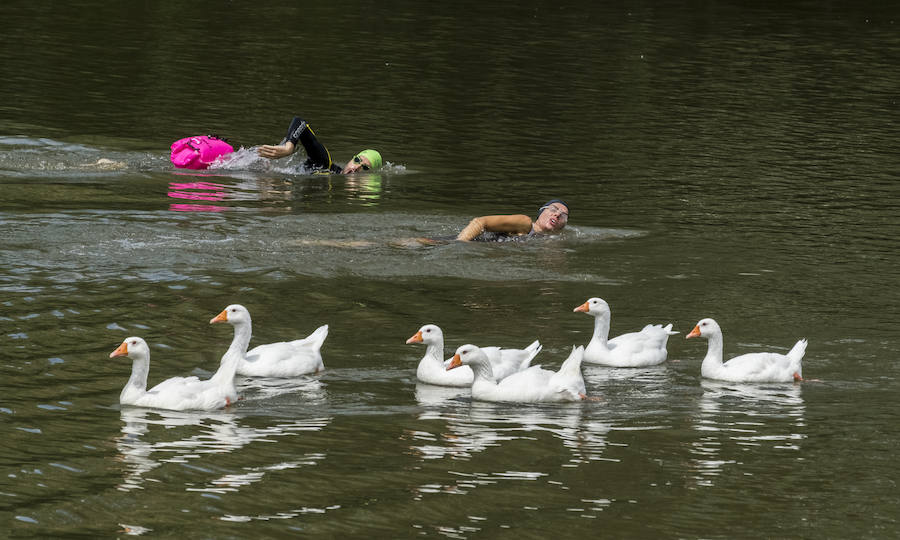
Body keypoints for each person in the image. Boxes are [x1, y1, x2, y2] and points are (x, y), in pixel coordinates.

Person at [257, 116, 382, 174]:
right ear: (351, 159)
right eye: (356, 160)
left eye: (364, 168)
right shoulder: (324, 163)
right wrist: (289, 147)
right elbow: (300, 122)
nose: (355, 168)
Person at [456, 199, 570, 242]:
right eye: (553, 209)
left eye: (563, 215)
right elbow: (480, 222)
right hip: (447, 243)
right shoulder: (524, 223)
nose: (557, 214)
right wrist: (460, 244)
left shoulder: (546, 241)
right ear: (541, 212)